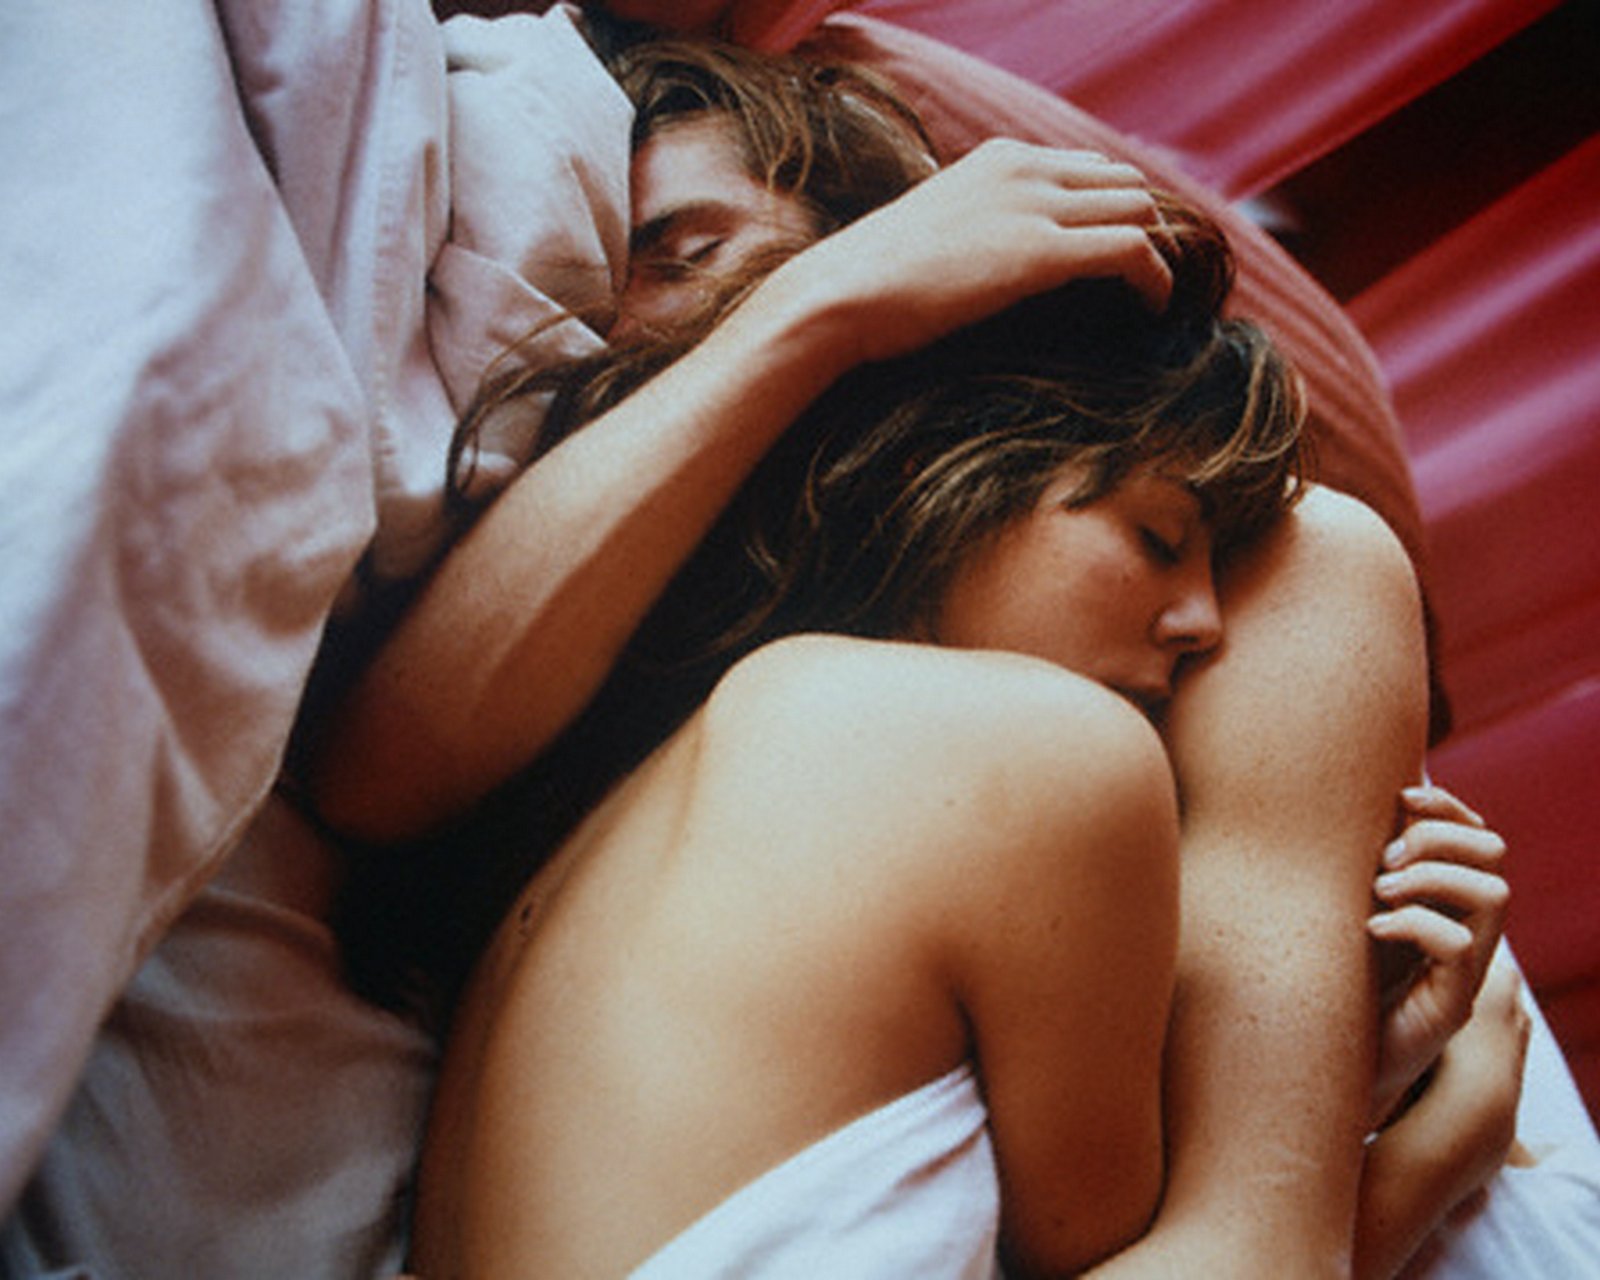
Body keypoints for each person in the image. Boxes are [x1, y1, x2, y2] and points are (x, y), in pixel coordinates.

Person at [304, 41, 1523, 1265]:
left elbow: (1217, 1228)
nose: (624, 323)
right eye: (600, 271)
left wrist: (1322, 1091)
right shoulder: (971, 748)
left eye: (690, 248)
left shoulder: (1262, 573)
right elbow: (1214, 1246)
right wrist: (1416, 1136)